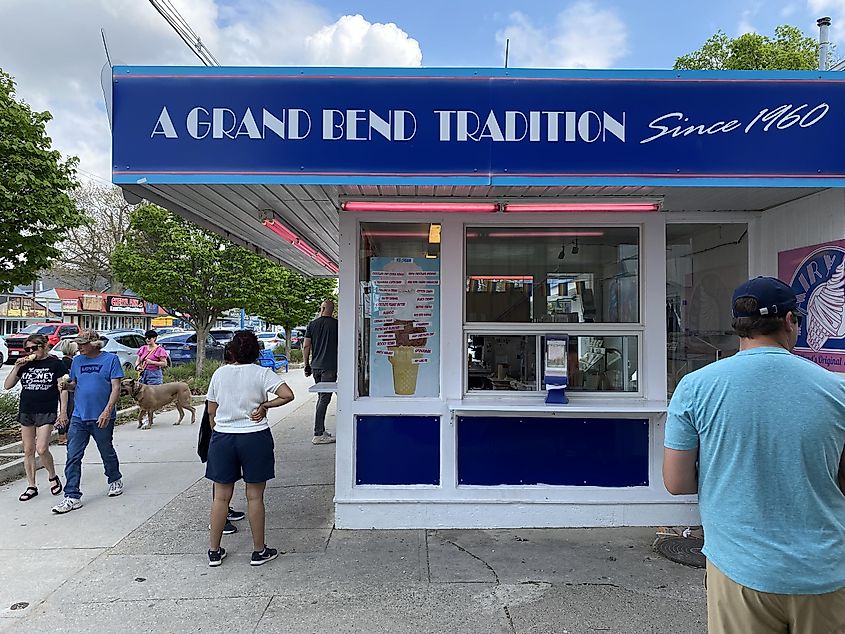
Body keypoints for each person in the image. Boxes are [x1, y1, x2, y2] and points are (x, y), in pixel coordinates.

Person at [663, 276, 845, 634]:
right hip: (826, 571)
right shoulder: (837, 389)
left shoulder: (696, 387)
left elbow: (677, 481)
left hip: (740, 570)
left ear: (738, 326)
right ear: (791, 321)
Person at [205, 330, 294, 567]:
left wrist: (218, 429)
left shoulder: (220, 374)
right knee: (255, 496)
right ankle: (259, 550)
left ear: (232, 350)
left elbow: (211, 410)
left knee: (221, 497)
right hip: (255, 438)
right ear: (256, 351)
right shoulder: (262, 373)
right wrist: (265, 405)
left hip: (223, 438)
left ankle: (214, 551)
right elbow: (287, 395)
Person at [52, 329, 125, 514]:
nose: (80, 347)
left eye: (83, 344)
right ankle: (72, 496)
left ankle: (114, 478)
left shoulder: (110, 360)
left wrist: (107, 411)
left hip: (101, 415)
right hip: (79, 416)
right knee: (73, 455)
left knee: (106, 450)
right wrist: (67, 386)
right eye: (79, 343)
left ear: (95, 343)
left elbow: (116, 387)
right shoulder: (77, 361)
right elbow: (76, 383)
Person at [4, 334, 66, 502]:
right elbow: (7, 385)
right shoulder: (26, 365)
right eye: (27, 349)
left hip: (46, 410)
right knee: (28, 450)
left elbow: (63, 389)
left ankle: (52, 476)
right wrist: (16, 367)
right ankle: (31, 485)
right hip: (27, 410)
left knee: (42, 448)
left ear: (44, 346)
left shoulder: (55, 364)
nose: (31, 352)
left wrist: (63, 412)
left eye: (34, 348)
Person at [302, 300, 338, 444]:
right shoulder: (336, 324)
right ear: (332, 310)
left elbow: (306, 346)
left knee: (321, 397)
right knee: (324, 398)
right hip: (329, 366)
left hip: (316, 366)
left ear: (321, 308)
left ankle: (320, 430)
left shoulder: (312, 324)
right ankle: (318, 434)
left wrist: (306, 365)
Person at [53, 339, 79, 445]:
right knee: (68, 411)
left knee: (65, 410)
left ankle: (63, 435)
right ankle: (63, 436)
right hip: (68, 389)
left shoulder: (62, 361)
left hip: (61, 389)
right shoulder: (70, 363)